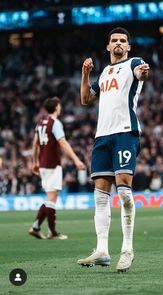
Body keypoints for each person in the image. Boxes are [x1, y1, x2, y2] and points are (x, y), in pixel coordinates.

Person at [77, 27, 149, 272]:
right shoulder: (106, 72)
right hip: (102, 136)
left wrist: (143, 72)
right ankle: (102, 250)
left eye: (123, 41)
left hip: (125, 133)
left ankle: (127, 250)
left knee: (125, 192)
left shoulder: (134, 63)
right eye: (114, 40)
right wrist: (85, 74)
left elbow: (142, 73)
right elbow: (86, 100)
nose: (118, 43)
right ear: (108, 46)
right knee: (100, 195)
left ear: (128, 46)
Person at [28, 96, 85, 240]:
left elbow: (35, 143)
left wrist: (35, 162)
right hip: (53, 164)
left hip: (43, 164)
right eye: (59, 105)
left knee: (49, 197)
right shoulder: (55, 123)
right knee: (52, 199)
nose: (61, 108)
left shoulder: (40, 122)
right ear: (56, 107)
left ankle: (35, 227)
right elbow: (63, 143)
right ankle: (52, 232)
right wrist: (76, 160)